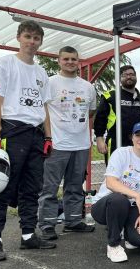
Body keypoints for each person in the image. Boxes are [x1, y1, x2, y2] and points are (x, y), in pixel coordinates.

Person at [0, 20, 55, 261]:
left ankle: (28, 235)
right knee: (0, 186)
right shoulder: (3, 64)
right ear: (18, 37)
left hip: (36, 134)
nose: (32, 42)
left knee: (32, 188)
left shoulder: (41, 72)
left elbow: (44, 108)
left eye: (36, 38)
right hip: (11, 132)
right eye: (28, 36)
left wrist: (48, 136)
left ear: (40, 42)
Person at [37, 46, 97, 240]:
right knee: (50, 188)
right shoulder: (50, 83)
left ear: (78, 61)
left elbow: (91, 111)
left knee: (75, 186)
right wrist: (48, 136)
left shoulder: (88, 87)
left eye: (73, 59)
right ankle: (47, 224)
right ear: (59, 61)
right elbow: (43, 110)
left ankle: (73, 221)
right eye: (66, 59)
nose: (70, 62)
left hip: (81, 145)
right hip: (57, 144)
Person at [90, 122, 140, 262]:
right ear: (132, 137)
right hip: (106, 206)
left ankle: (129, 235)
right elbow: (111, 183)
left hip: (131, 206)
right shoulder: (121, 153)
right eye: (138, 135)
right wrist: (136, 195)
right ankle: (113, 245)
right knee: (119, 199)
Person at [93, 65, 140, 164]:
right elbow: (100, 119)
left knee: (138, 170)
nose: (129, 77)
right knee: (115, 171)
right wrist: (99, 139)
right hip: (116, 142)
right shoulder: (110, 96)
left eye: (132, 74)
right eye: (125, 75)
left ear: (136, 77)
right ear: (119, 78)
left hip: (139, 143)